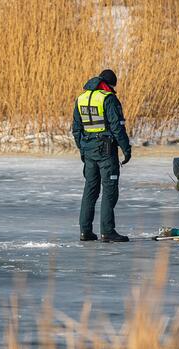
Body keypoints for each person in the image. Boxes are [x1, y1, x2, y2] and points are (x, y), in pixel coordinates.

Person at [72, 69, 132, 243]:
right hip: (106, 150)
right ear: (109, 84)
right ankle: (107, 231)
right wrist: (126, 149)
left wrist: (82, 149)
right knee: (109, 190)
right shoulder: (108, 98)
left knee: (90, 190)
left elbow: (76, 129)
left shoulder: (81, 98)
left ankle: (85, 231)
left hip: (89, 150)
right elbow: (117, 127)